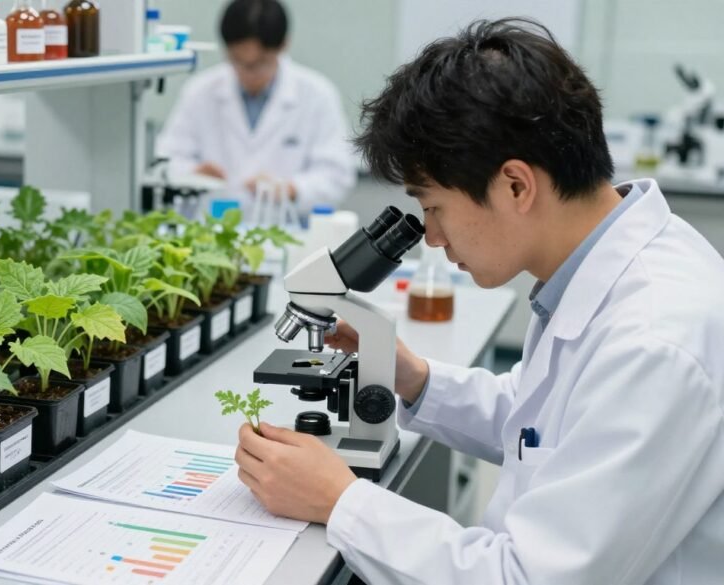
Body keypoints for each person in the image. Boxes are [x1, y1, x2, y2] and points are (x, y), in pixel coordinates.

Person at [234, 18, 724, 585]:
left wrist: (339, 500)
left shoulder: (655, 341)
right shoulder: (605, 268)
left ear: (516, 185)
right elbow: (541, 423)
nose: (431, 238)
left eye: (433, 207)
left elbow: (526, 578)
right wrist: (416, 378)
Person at [156, 0, 356, 219]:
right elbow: (166, 162)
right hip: (212, 225)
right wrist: (192, 175)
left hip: (286, 227)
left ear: (283, 46)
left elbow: (337, 175)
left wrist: (290, 189)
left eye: (259, 63)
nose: (248, 72)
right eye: (237, 61)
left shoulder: (317, 95)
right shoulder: (199, 92)